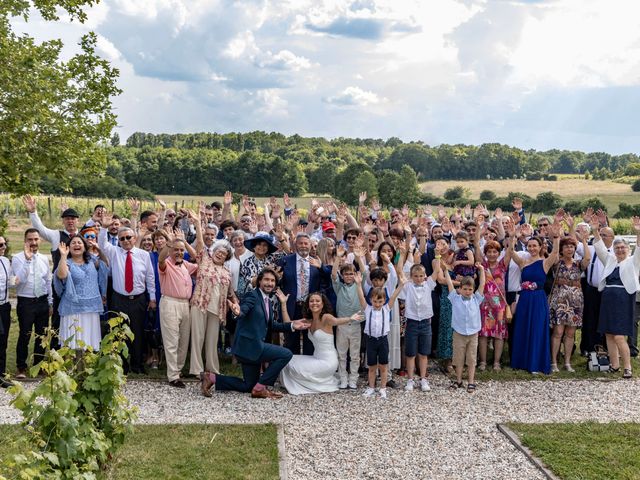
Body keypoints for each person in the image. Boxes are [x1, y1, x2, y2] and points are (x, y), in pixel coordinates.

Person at [201, 268, 309, 398]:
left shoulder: (267, 300)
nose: (269, 283)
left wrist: (292, 325)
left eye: (272, 281)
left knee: (248, 386)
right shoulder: (252, 296)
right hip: (250, 346)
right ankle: (261, 387)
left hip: (252, 349)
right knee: (286, 354)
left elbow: (271, 325)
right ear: (259, 282)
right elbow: (243, 310)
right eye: (266, 280)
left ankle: (211, 378)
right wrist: (237, 312)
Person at [98, 218, 156, 374]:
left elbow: (150, 277)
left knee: (137, 333)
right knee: (119, 333)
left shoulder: (144, 255)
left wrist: (152, 298)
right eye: (122, 238)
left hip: (138, 300)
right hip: (119, 300)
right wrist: (104, 228)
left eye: (128, 237)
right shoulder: (115, 252)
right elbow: (102, 244)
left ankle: (137, 365)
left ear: (135, 238)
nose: (125, 241)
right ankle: (122, 365)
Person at [278, 289, 363, 395]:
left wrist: (350, 319)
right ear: (308, 304)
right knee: (287, 359)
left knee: (291, 364)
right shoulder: (309, 321)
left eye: (317, 301)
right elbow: (287, 323)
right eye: (311, 301)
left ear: (323, 304)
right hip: (316, 358)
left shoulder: (326, 318)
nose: (314, 303)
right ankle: (297, 382)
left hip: (328, 362)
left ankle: (302, 383)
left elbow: (337, 321)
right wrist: (283, 304)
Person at [591, 217, 640, 378]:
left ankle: (628, 368)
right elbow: (599, 248)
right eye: (617, 247)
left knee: (619, 335)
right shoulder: (610, 261)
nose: (619, 250)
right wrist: (595, 230)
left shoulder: (633, 262)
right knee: (609, 334)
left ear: (628, 248)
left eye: (622, 247)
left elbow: (639, 248)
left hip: (623, 300)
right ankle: (614, 365)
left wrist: (637, 231)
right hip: (608, 300)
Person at [508, 228, 560, 374]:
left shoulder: (544, 263)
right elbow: (511, 252)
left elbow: (555, 253)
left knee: (537, 329)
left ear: (540, 247)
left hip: (538, 299)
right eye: (529, 246)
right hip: (524, 298)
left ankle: (536, 363)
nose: (531, 248)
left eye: (534, 246)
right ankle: (521, 361)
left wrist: (556, 237)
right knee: (523, 328)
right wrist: (512, 237)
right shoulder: (523, 262)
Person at [189, 219, 234, 377]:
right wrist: (198, 223)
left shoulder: (227, 272)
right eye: (218, 252)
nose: (220, 254)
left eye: (224, 254)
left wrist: (233, 303)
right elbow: (200, 244)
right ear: (213, 252)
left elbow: (230, 292)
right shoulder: (204, 262)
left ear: (226, 257)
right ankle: (196, 370)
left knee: (212, 340)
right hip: (200, 304)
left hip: (216, 309)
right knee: (197, 338)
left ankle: (213, 369)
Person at [53, 237, 108, 351]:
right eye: (73, 243)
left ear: (84, 247)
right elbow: (62, 275)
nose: (76, 245)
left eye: (79, 242)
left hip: (91, 309)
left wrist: (99, 250)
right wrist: (63, 255)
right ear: (69, 248)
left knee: (89, 344)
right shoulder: (66, 263)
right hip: (72, 309)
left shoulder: (92, 260)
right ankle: (72, 368)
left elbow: (105, 266)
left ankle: (88, 367)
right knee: (72, 344)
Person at [158, 237, 198, 388]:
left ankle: (179, 370)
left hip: (185, 304)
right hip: (170, 302)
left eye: (181, 250)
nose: (179, 252)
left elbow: (199, 261)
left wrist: (186, 244)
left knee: (184, 340)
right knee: (171, 340)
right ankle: (173, 375)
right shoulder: (166, 263)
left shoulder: (186, 265)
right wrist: (168, 245)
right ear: (170, 250)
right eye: (176, 249)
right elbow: (161, 259)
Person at [12, 228, 52, 378]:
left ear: (40, 240)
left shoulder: (43, 258)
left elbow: (47, 281)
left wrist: (50, 302)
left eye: (36, 239)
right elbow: (17, 281)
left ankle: (38, 366)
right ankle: (21, 368)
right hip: (26, 302)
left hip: (42, 301)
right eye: (30, 239)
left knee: (42, 336)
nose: (33, 242)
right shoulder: (17, 258)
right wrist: (27, 260)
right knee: (25, 335)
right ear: (25, 241)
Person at [278, 233, 325, 355]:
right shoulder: (285, 261)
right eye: (300, 243)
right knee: (291, 341)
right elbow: (277, 281)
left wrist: (321, 267)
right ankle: (292, 370)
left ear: (310, 246)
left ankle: (308, 370)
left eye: (306, 243)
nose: (303, 246)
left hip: (310, 307)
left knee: (310, 341)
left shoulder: (317, 262)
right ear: (295, 245)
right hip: (292, 306)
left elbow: (325, 282)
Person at [549, 234, 591, 373]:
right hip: (559, 301)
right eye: (566, 246)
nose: (569, 249)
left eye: (572, 246)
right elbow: (554, 254)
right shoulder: (557, 262)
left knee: (571, 333)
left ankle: (567, 362)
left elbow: (588, 258)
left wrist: (584, 240)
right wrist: (556, 238)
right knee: (558, 332)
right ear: (562, 249)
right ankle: (553, 362)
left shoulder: (578, 264)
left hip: (575, 302)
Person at [399, 261, 441, 392]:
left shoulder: (429, 285)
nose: (418, 278)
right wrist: (401, 253)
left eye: (421, 276)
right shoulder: (408, 286)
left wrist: (438, 255)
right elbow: (400, 271)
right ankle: (410, 380)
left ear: (424, 276)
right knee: (410, 354)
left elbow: (436, 271)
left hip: (425, 323)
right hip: (411, 322)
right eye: (415, 276)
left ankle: (423, 379)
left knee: (423, 353)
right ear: (411, 276)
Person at [360, 277, 404, 399]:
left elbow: (394, 296)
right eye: (375, 301)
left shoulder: (386, 308)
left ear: (384, 301)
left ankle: (383, 388)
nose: (377, 304)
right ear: (371, 300)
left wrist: (401, 285)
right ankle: (371, 387)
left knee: (384, 366)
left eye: (380, 302)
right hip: (371, 340)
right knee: (372, 366)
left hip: (383, 340)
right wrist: (359, 284)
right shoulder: (367, 309)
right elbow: (361, 297)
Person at [445, 266, 485, 393]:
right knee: (458, 358)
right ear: (460, 289)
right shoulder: (455, 299)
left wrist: (482, 271)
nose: (467, 291)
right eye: (465, 289)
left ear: (473, 290)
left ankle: (471, 381)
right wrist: (445, 271)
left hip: (473, 333)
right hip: (459, 333)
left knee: (472, 358)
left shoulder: (476, 299)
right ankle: (459, 380)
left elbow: (482, 284)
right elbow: (449, 284)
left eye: (470, 289)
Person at [332, 245, 367, 389]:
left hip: (356, 324)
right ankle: (343, 378)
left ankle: (353, 378)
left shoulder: (358, 284)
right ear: (343, 275)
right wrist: (338, 257)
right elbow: (334, 275)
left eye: (351, 274)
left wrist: (358, 257)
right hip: (342, 324)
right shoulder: (339, 287)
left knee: (355, 354)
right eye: (346, 274)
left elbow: (364, 273)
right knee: (341, 354)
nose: (349, 276)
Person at [0, 236, 15, 387]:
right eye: (0, 245)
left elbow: (9, 282)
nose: (3, 247)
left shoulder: (5, 261)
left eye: (5, 243)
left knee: (3, 340)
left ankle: (2, 375)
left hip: (4, 306)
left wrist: (14, 281)